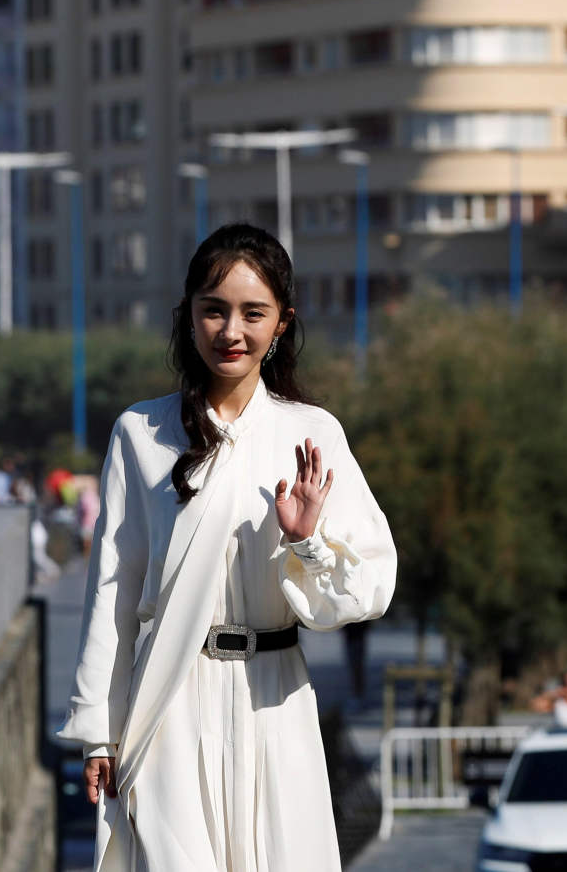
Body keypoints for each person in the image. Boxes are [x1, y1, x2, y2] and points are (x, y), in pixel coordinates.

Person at [60, 223, 396, 870]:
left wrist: (307, 542)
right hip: (168, 699)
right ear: (187, 315)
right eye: (214, 310)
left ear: (282, 323)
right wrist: (98, 731)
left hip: (276, 698)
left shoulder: (312, 433)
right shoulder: (140, 432)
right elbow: (114, 587)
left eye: (253, 313)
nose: (231, 331)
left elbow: (364, 593)